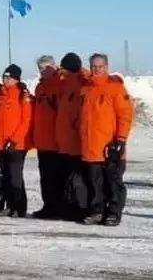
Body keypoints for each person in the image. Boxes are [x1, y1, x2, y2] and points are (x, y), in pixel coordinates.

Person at [79, 53, 133, 226]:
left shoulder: (115, 88)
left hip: (110, 146)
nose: (96, 69)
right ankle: (97, 211)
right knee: (95, 183)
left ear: (107, 67)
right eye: (93, 66)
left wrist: (121, 139)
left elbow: (125, 115)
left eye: (100, 66)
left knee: (113, 182)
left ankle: (114, 212)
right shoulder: (85, 89)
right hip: (91, 146)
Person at [0, 64, 33, 217]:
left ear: (16, 79)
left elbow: (26, 120)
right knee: (6, 176)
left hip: (17, 144)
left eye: (10, 78)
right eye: (5, 77)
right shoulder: (1, 96)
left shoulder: (22, 95)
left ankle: (19, 206)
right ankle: (9, 204)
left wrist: (14, 140)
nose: (6, 80)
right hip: (1, 144)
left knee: (15, 176)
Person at [55, 52, 90, 221]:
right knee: (68, 178)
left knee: (78, 179)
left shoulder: (80, 84)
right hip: (66, 142)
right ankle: (69, 207)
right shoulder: (68, 85)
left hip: (76, 142)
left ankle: (80, 209)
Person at [31, 55, 63, 219]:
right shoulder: (39, 87)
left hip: (57, 142)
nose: (43, 71)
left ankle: (60, 207)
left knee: (58, 178)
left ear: (54, 66)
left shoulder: (60, 84)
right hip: (43, 141)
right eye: (41, 68)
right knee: (46, 177)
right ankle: (48, 206)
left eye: (46, 67)